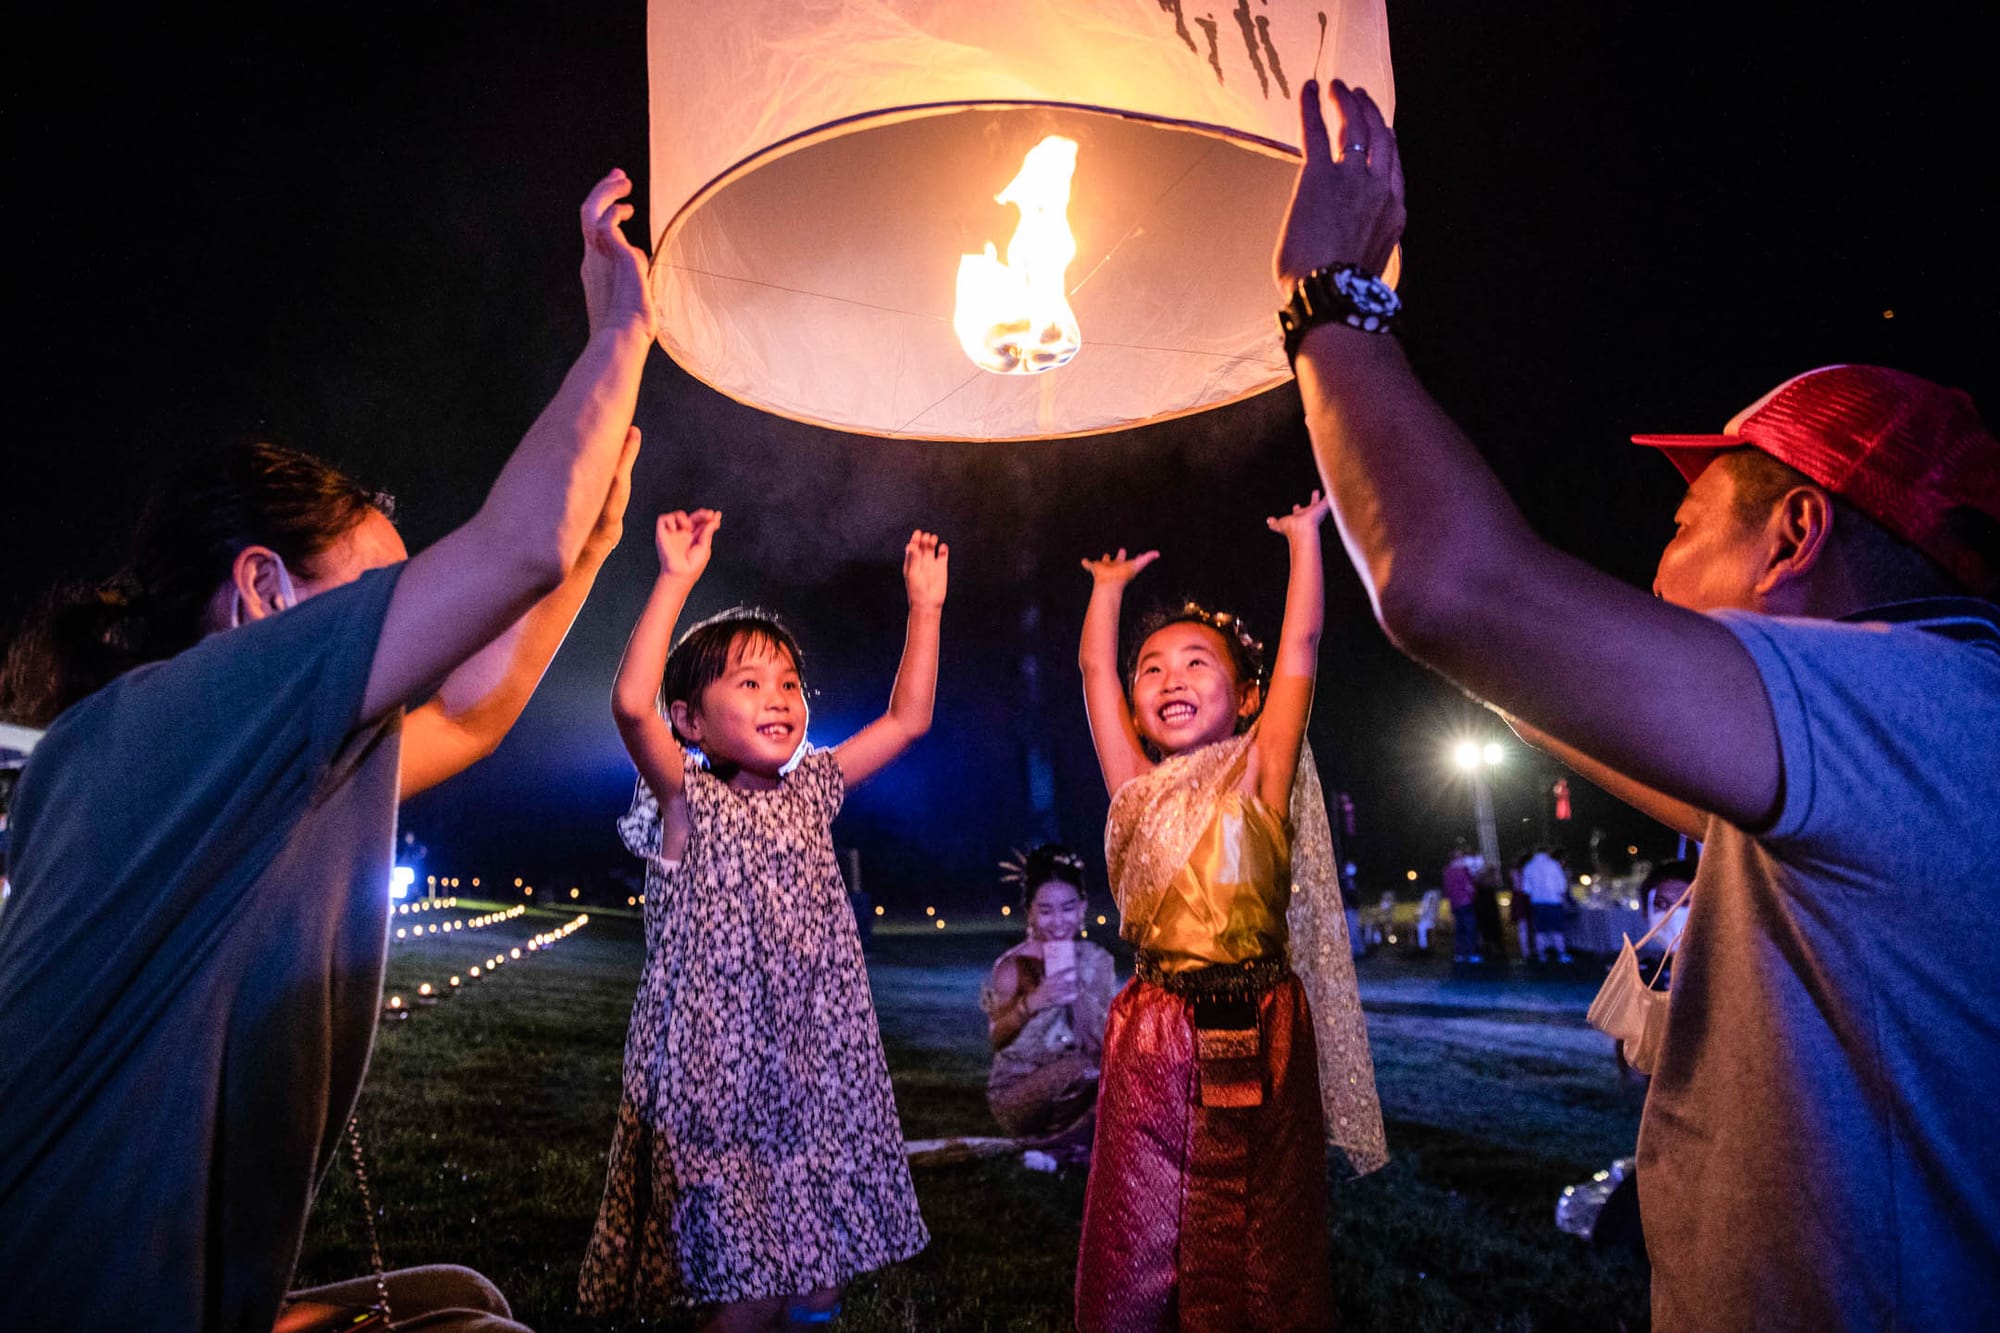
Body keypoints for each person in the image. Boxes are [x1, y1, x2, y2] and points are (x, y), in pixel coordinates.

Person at [1274, 76, 2000, 1330]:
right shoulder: (1930, 730)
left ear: (1796, 533)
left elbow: (1453, 587)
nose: (1654, 575)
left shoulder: (1908, 698)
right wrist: (1489, 644)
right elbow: (1503, 644)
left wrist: (1328, 299)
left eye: (1680, 530)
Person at [0, 169, 654, 1331]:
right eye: (381, 594)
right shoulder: (177, 716)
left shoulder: (230, 768)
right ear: (261, 588)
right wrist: (618, 330)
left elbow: (476, 710)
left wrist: (594, 546)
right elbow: (515, 549)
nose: (409, 636)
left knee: (460, 1298)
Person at [578, 509, 941, 1331]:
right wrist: (674, 579)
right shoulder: (683, 800)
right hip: (718, 1097)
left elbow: (908, 719)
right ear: (692, 720)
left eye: (787, 683)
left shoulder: (813, 790)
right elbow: (632, 703)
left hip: (816, 1084)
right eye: (749, 682)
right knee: (750, 1296)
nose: (779, 697)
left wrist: (925, 607)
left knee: (816, 1286)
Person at [1072, 493, 1385, 1332]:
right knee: (1143, 1214)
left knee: (1260, 1218)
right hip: (1152, 1029)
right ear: (1138, 706)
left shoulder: (1261, 773)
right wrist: (1106, 591)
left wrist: (1305, 544)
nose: (1170, 677)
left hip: (1261, 1026)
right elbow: (1094, 674)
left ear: (1245, 697)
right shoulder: (1134, 788)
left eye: (1196, 663)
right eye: (1154, 668)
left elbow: (1301, 646)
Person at [980, 844, 1117, 1154]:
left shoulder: (1098, 961)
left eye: (1068, 908)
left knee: (1116, 1078)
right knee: (1083, 1068)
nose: (1058, 921)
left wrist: (1080, 992)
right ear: (1030, 912)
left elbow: (1103, 1044)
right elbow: (997, 1039)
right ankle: (1053, 1145)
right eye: (1046, 911)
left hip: (1083, 1081)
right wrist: (1033, 1002)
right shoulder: (1012, 967)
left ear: (1082, 908)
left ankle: (1065, 1146)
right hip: (1019, 1092)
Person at [1520, 845, 1573, 963]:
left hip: (1537, 903)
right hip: (1554, 902)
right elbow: (1562, 885)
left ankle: (1542, 955)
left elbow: (1526, 889)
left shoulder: (1529, 866)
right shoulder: (1553, 865)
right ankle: (1562, 954)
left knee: (1540, 931)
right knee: (1557, 929)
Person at [1442, 838, 1481, 961]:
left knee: (1459, 929)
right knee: (1470, 929)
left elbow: (1447, 888)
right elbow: (1470, 886)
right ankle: (1471, 954)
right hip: (1466, 902)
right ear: (1458, 858)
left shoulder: (1447, 871)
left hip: (1455, 903)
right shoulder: (1463, 870)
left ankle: (1459, 954)